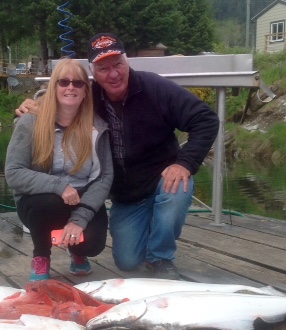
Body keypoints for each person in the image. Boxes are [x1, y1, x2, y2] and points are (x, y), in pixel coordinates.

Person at [16, 33, 219, 280]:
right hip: (127, 197)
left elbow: (205, 119)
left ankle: (160, 258)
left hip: (161, 183)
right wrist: (30, 107)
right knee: (127, 262)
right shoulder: (88, 97)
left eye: (118, 65)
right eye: (103, 68)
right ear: (93, 72)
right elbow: (58, 99)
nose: (113, 74)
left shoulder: (156, 88)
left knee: (176, 191)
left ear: (127, 62)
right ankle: (148, 231)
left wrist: (185, 163)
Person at [5, 58, 113, 281]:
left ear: (86, 91)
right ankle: (41, 256)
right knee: (48, 203)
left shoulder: (98, 127)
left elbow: (104, 177)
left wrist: (79, 219)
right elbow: (13, 172)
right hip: (40, 202)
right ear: (53, 88)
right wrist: (58, 185)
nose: (70, 87)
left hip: (82, 199)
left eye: (78, 83)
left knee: (93, 244)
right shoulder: (30, 122)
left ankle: (78, 252)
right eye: (63, 82)